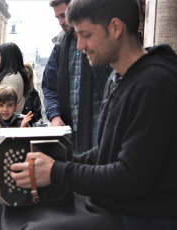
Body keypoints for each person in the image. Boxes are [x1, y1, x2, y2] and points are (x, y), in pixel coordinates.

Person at [0, 0, 177, 229]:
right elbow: (105, 153)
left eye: (85, 34)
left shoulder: (155, 84)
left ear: (115, 28)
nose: (80, 45)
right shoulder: (121, 78)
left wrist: (55, 170)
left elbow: (130, 177)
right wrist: (51, 160)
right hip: (112, 202)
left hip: (143, 214)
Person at [42, 0, 110, 154]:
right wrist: (54, 116)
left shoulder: (101, 40)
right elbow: (49, 88)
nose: (60, 22)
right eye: (57, 18)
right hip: (68, 128)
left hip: (99, 127)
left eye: (64, 16)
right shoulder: (59, 46)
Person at [0, 42, 29, 114]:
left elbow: (4, 109)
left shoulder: (11, 79)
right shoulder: (12, 76)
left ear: (7, 58)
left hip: (2, 123)